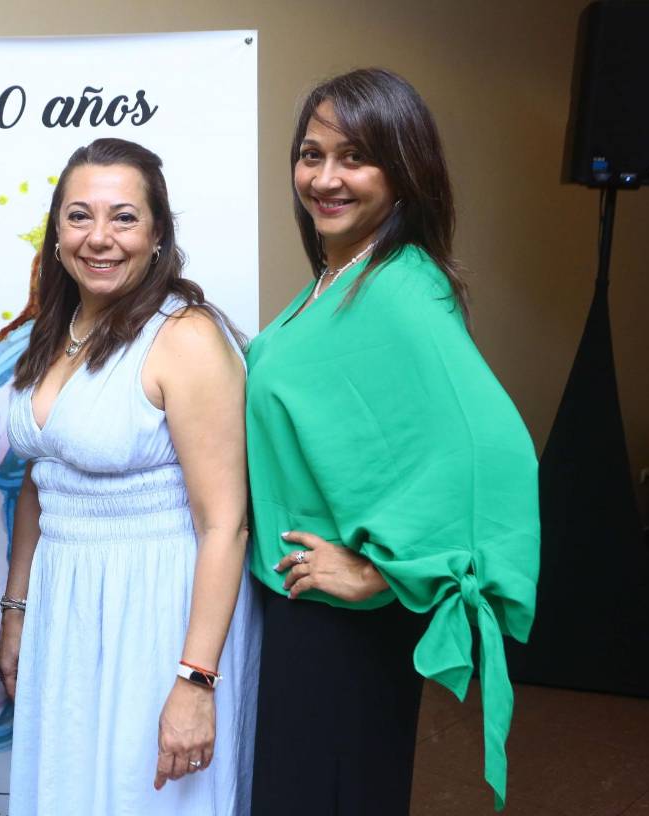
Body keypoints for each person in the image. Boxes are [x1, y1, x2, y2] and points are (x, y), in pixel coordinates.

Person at [245, 68, 540, 813]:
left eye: (355, 157)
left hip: (340, 628)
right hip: (300, 613)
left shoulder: (404, 290)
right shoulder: (343, 277)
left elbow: (494, 451)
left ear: (404, 172)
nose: (326, 177)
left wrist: (379, 572)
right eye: (312, 155)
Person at [0, 137, 259, 815]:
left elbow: (226, 522)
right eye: (79, 216)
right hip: (66, 607)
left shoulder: (187, 337)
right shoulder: (54, 331)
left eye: (123, 217)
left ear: (159, 234)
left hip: (158, 611)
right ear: (56, 233)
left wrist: (196, 681)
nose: (99, 237)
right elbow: (37, 486)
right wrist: (18, 613)